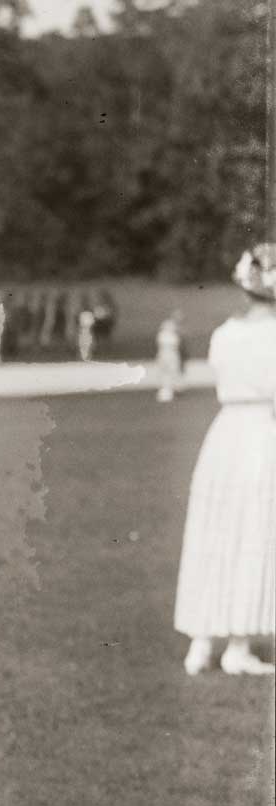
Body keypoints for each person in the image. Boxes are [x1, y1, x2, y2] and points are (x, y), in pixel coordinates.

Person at [174, 244, 276, 676]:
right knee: (254, 530)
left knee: (217, 530)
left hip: (225, 436)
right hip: (262, 433)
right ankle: (237, 645)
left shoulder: (224, 334)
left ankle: (202, 644)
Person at [154, 313, 184, 403]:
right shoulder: (169, 336)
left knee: (169, 374)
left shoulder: (163, 336)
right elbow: (175, 345)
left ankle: (172, 389)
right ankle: (167, 392)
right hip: (169, 356)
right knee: (168, 373)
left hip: (166, 356)